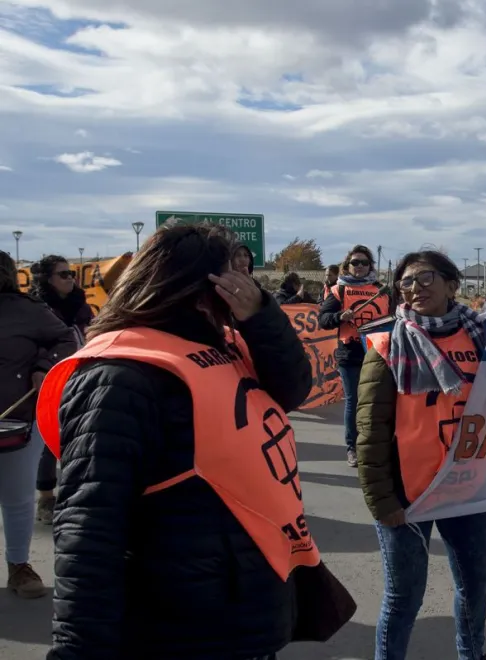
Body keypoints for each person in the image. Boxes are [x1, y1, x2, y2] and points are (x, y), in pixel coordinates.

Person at [39, 225, 321, 658]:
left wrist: (263, 315)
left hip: (238, 607)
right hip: (181, 624)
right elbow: (89, 530)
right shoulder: (120, 375)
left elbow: (294, 388)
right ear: (200, 285)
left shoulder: (225, 344)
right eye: (232, 272)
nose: (243, 281)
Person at [356, 250, 486, 660]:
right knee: (403, 598)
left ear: (453, 285)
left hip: (469, 488)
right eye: (406, 282)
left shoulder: (483, 337)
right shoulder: (386, 343)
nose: (414, 288)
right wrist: (382, 501)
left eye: (424, 278)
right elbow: (370, 432)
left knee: (474, 590)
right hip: (406, 495)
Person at [0, 250, 76, 599]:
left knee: (17, 498)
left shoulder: (28, 311)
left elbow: (66, 340)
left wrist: (45, 367)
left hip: (16, 421)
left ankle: (18, 565)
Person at [29, 255, 93, 524]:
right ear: (48, 279)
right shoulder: (36, 308)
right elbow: (35, 344)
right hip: (49, 377)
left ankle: (74, 494)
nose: (71, 279)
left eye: (72, 274)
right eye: (64, 274)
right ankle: (46, 497)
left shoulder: (81, 305)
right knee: (47, 438)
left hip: (82, 375)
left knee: (79, 434)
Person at [319, 245, 390, 468]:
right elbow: (323, 319)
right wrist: (340, 315)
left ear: (370, 265)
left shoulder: (382, 290)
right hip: (350, 352)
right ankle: (353, 447)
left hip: (379, 352)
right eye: (355, 263)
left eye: (364, 263)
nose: (359, 266)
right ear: (347, 266)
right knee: (354, 401)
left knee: (379, 401)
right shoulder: (338, 290)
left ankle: (378, 446)